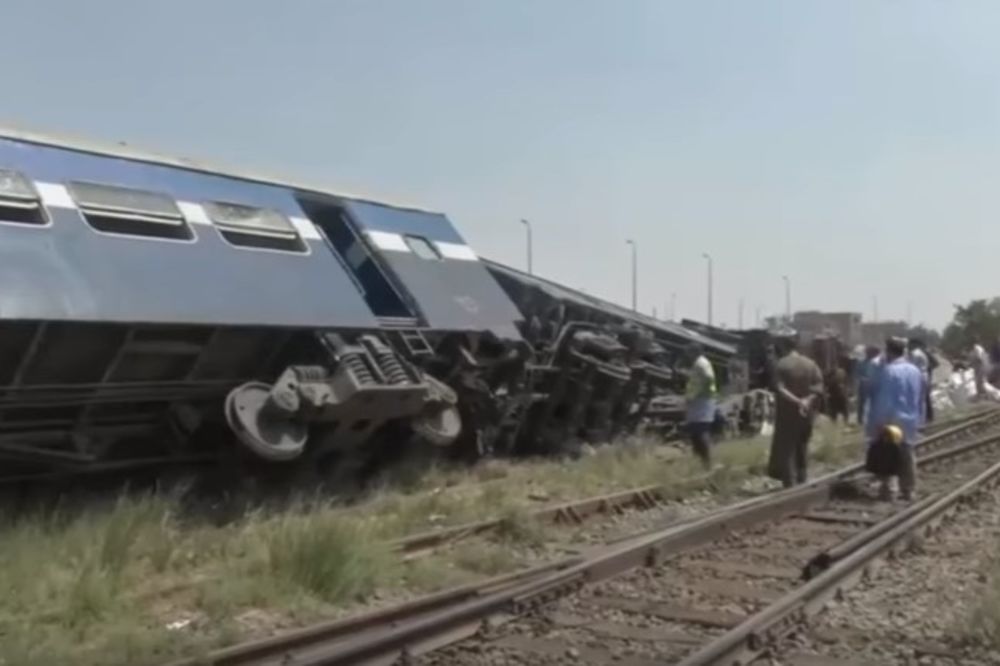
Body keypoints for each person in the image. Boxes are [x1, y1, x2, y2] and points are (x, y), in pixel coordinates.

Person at [866, 337, 925, 501]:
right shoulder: (914, 371)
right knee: (907, 452)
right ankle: (909, 489)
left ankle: (889, 490)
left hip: (892, 418)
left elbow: (885, 400)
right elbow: (920, 396)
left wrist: (878, 422)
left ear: (889, 351)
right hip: (910, 418)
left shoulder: (889, 371)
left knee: (888, 453)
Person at [767, 335, 824, 488]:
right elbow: (818, 388)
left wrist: (797, 401)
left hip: (787, 413)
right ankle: (802, 478)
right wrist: (806, 400)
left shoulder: (780, 365)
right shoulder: (811, 364)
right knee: (803, 445)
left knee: (786, 448)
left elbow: (780, 388)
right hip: (807, 413)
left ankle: (790, 483)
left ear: (784, 346)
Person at [684, 343, 717, 468]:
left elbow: (707, 378)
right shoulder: (699, 363)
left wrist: (697, 393)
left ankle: (707, 462)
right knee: (696, 431)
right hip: (699, 400)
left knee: (701, 430)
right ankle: (700, 461)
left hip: (702, 400)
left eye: (689, 352)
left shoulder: (701, 363)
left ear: (694, 352)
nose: (687, 355)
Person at [908, 338, 934, 423]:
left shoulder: (915, 353)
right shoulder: (921, 353)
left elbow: (912, 367)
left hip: (919, 375)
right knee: (922, 400)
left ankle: (918, 419)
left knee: (918, 398)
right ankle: (922, 419)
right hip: (924, 374)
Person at [856, 346, 881, 426]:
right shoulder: (861, 362)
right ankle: (860, 420)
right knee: (861, 403)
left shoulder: (878, 363)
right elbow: (857, 374)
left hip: (874, 385)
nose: (867, 354)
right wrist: (863, 379)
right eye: (867, 352)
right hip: (864, 385)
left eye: (869, 352)